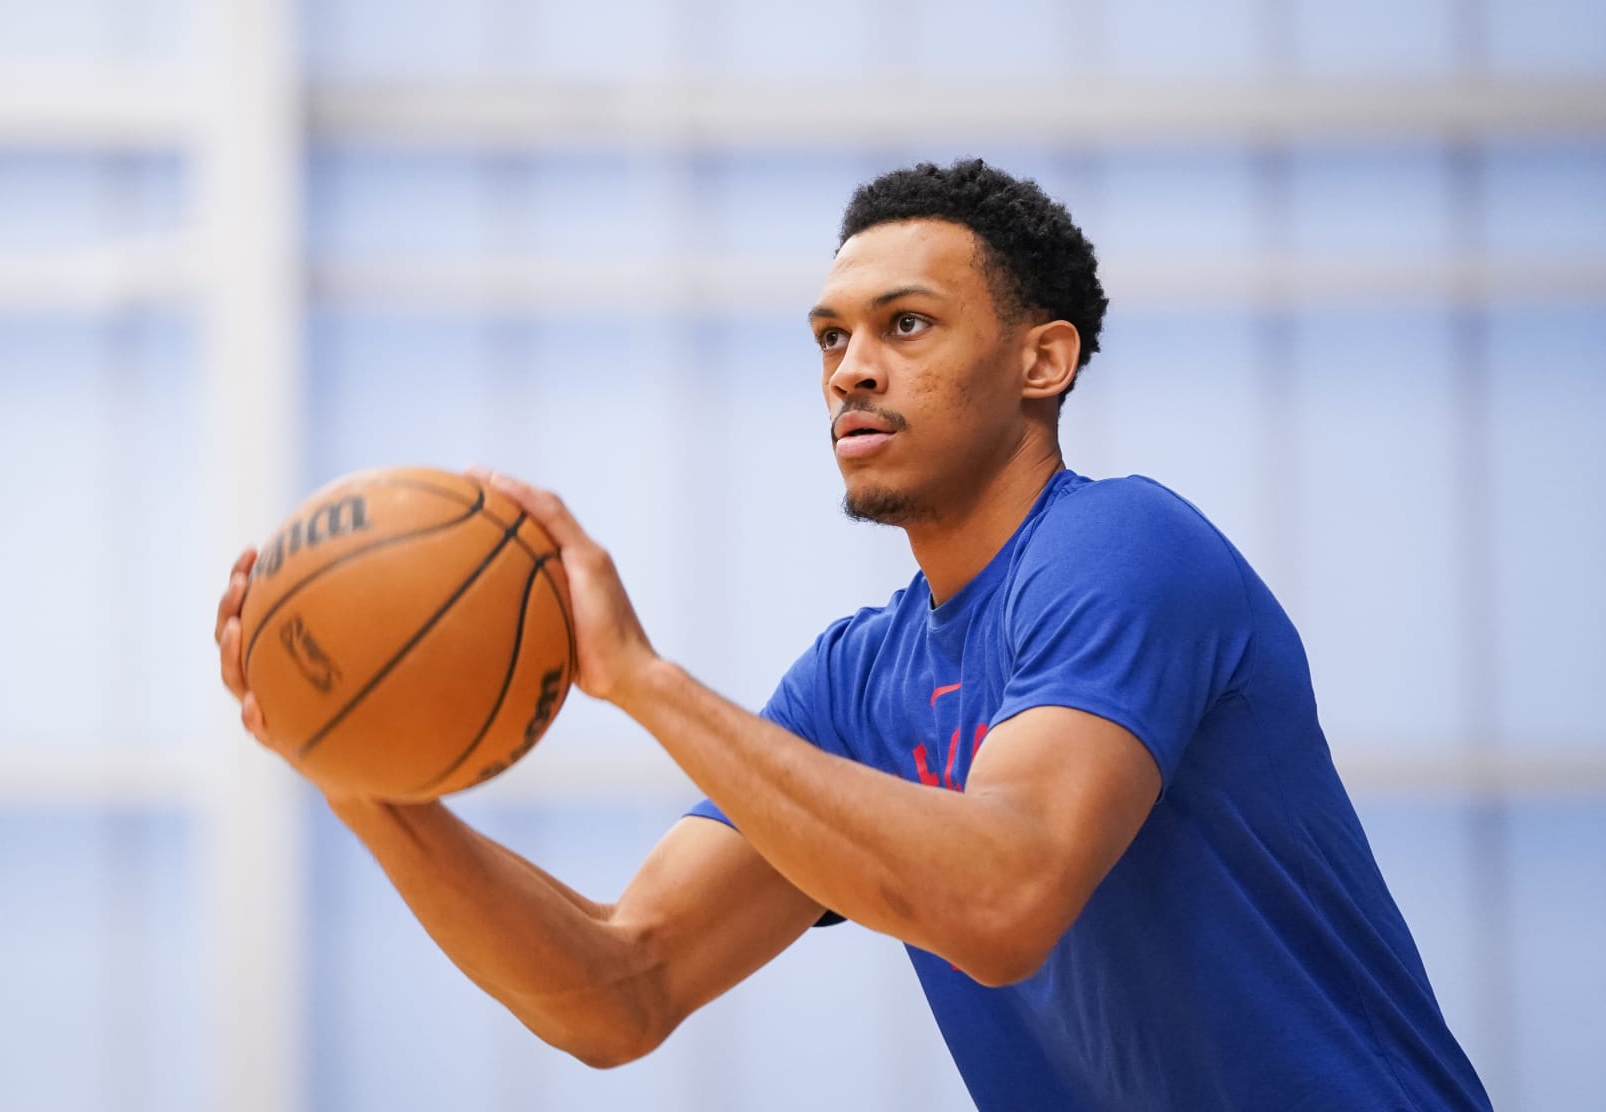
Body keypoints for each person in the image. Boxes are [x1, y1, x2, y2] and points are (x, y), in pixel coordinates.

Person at [214, 160, 1492, 1110]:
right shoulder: (856, 684)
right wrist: (358, 777)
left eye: (906, 325)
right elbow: (620, 989)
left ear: (1043, 361)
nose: (849, 369)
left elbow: (1003, 899)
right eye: (831, 337)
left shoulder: (1125, 547)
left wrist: (642, 681)